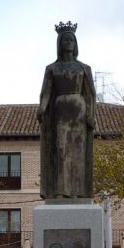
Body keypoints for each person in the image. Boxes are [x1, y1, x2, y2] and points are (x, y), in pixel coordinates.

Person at [37, 21, 96, 199]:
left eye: (71, 39)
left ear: (75, 43)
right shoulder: (52, 68)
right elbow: (46, 92)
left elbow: (91, 94)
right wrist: (42, 107)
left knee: (78, 151)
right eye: (65, 40)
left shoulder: (84, 69)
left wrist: (90, 115)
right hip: (60, 111)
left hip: (79, 111)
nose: (69, 42)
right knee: (61, 150)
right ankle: (61, 191)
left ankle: (78, 192)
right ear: (60, 44)